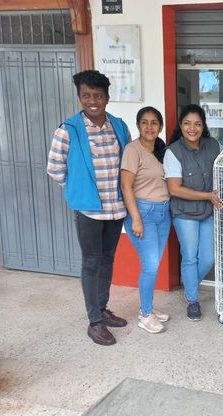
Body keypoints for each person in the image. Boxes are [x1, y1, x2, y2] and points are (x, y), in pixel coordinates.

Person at [47, 70, 130, 346]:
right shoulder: (68, 130)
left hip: (115, 208)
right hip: (89, 211)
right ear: (80, 97)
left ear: (107, 98)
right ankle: (94, 322)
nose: (92, 101)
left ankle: (103, 309)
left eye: (98, 96)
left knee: (108, 260)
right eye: (86, 95)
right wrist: (77, 190)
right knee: (92, 262)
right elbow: (55, 169)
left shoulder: (119, 126)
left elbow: (127, 164)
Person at [163, 104, 223, 321]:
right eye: (187, 123)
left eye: (197, 124)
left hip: (207, 212)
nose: (192, 128)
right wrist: (207, 195)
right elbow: (174, 189)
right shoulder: (173, 152)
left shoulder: (213, 145)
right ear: (181, 125)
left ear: (203, 126)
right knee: (190, 256)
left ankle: (189, 287)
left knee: (207, 259)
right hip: (184, 213)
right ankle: (193, 300)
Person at [120, 107, 170, 334]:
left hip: (163, 213)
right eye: (144, 122)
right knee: (150, 265)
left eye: (154, 122)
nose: (149, 127)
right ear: (138, 125)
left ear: (160, 126)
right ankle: (145, 314)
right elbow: (125, 185)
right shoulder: (133, 150)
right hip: (143, 212)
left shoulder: (161, 149)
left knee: (154, 263)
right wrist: (136, 219)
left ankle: (147, 306)